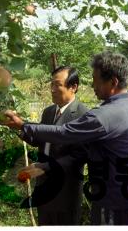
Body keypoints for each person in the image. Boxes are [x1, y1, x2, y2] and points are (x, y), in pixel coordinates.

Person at [3, 51, 128, 225]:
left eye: (95, 79)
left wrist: (23, 125)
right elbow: (45, 139)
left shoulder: (103, 115)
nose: (92, 84)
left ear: (113, 82)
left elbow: (64, 133)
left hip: (110, 201)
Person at [21, 66, 89, 225]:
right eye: (51, 84)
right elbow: (41, 141)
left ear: (73, 87)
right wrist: (19, 129)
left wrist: (45, 166)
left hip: (65, 193)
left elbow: (79, 156)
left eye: (57, 85)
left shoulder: (82, 115)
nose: (52, 89)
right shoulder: (48, 112)